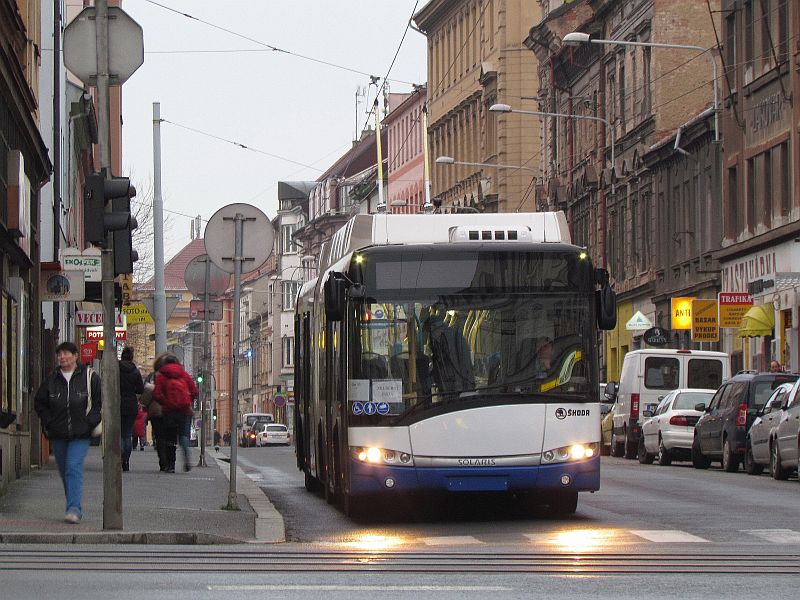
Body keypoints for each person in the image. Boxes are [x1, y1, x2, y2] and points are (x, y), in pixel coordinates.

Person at [34, 341, 101, 524]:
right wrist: (49, 421)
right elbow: (40, 402)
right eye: (60, 354)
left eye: (66, 353)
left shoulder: (89, 377)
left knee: (73, 466)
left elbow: (99, 403)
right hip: (59, 433)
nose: (62, 357)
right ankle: (72, 504)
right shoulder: (52, 379)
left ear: (75, 356)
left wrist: (90, 422)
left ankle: (74, 509)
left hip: (81, 433)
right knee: (65, 471)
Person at [153, 354, 198, 473]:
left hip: (169, 411)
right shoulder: (184, 374)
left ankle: (171, 465)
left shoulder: (161, 376)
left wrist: (165, 402)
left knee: (170, 439)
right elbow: (194, 391)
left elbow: (156, 394)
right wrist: (188, 401)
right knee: (183, 436)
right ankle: (187, 458)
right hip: (184, 410)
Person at [119, 347, 145, 471]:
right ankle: (126, 460)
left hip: (116, 404)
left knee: (118, 433)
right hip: (130, 405)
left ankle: (119, 457)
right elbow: (140, 389)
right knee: (127, 434)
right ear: (132, 357)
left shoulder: (116, 368)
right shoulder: (135, 372)